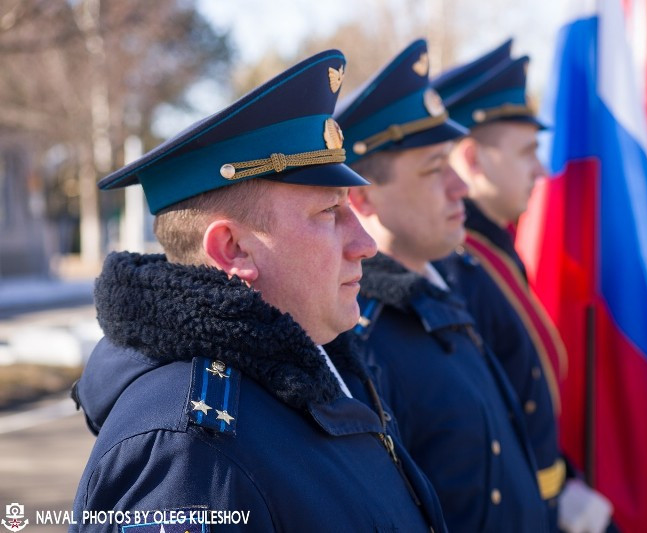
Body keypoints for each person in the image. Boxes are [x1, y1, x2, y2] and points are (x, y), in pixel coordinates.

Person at [70, 50, 447, 532]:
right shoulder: (191, 452)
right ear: (232, 248)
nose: (366, 244)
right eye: (329, 213)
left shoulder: (314, 370)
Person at [335, 39, 549, 532]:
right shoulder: (360, 333)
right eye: (435, 170)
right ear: (364, 199)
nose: (460, 187)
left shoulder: (442, 285)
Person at [433, 41, 614, 533]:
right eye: (528, 151)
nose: (542, 169)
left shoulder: (492, 252)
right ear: (474, 158)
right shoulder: (456, 266)